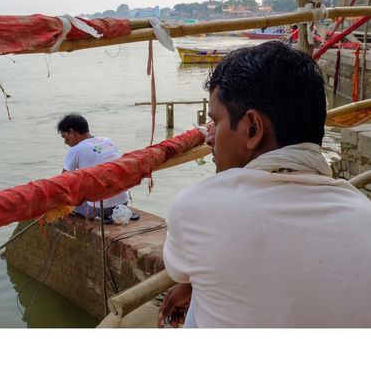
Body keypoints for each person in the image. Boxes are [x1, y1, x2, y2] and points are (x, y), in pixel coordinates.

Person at [158, 41, 371, 328]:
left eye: (216, 122)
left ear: (253, 129)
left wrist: (192, 286)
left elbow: (188, 269)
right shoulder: (363, 213)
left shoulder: (196, 207)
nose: (209, 138)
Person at [57, 113, 131, 222]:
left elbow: (63, 183)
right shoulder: (107, 141)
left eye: (65, 137)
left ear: (72, 132)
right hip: (123, 202)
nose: (65, 142)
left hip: (99, 209)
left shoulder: (75, 150)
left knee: (61, 201)